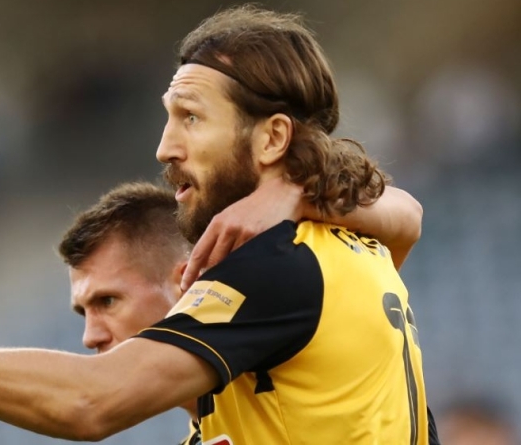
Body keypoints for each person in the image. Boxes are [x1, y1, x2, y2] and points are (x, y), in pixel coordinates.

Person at [0, 5, 436, 444]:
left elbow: (87, 404)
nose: (164, 146)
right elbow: (405, 219)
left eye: (191, 118)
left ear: (272, 137)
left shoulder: (276, 265)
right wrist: (297, 191)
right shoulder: (350, 246)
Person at [59, 179, 425, 444]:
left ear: (185, 281)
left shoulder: (294, 305)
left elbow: (407, 216)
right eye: (83, 312)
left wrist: (294, 193)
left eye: (107, 301)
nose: (90, 336)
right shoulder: (222, 418)